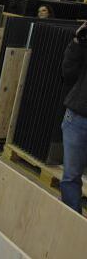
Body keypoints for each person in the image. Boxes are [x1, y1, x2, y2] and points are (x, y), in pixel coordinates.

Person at [60, 21, 87, 214]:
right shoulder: (83, 43)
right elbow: (68, 73)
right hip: (77, 118)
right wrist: (78, 41)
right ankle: (72, 223)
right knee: (71, 176)